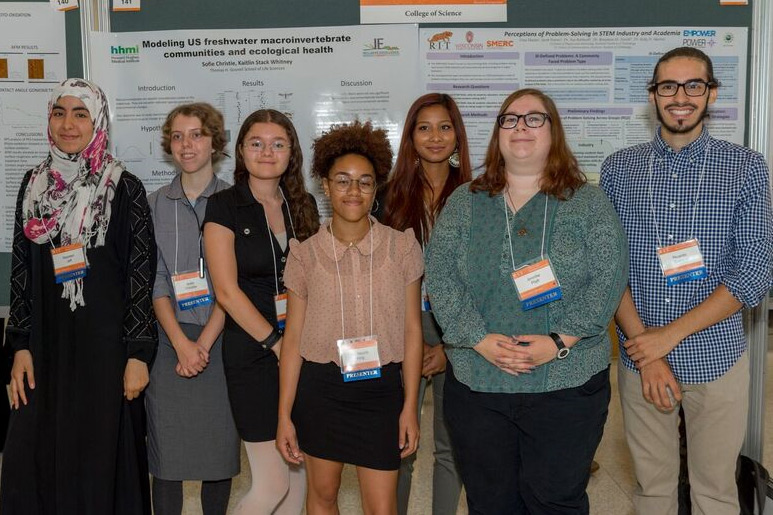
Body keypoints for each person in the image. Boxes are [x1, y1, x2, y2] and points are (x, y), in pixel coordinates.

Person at [425, 88, 628, 514]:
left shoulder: (588, 203)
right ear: (497, 133)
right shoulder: (465, 203)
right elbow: (440, 277)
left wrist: (558, 341)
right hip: (479, 383)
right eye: (510, 118)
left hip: (566, 384)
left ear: (554, 132)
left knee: (555, 500)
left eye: (535, 118)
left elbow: (608, 278)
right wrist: (477, 339)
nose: (521, 127)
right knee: (490, 503)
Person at [600, 47, 773, 515]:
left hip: (717, 359)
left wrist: (667, 339)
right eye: (668, 86)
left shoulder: (746, 167)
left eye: (693, 85)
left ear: (711, 92)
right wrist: (646, 349)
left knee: (714, 494)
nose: (681, 97)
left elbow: (754, 274)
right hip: (640, 363)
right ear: (652, 96)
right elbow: (610, 269)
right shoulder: (620, 169)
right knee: (652, 491)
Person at [1, 78, 156, 514]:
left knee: (100, 461)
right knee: (30, 457)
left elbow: (140, 277)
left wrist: (138, 355)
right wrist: (19, 345)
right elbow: (22, 271)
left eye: (80, 113)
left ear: (98, 121)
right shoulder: (32, 185)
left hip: (106, 353)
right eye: (59, 112)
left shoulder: (124, 187)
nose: (68, 124)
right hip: (45, 349)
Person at [276, 120, 424, 514]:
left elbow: (413, 331)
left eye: (365, 181)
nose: (353, 191)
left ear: (376, 188)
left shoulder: (402, 249)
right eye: (342, 181)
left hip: (381, 393)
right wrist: (284, 415)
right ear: (325, 186)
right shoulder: (304, 256)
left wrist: (410, 405)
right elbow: (292, 341)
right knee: (322, 498)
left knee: (382, 508)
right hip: (321, 392)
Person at [203, 108, 318, 515]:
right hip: (254, 353)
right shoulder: (223, 206)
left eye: (277, 144)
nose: (267, 152)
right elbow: (227, 292)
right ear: (240, 151)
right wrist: (275, 343)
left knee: (298, 478)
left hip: (302, 352)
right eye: (256, 143)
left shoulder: (303, 207)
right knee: (271, 484)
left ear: (291, 153)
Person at [146, 103, 240, 515]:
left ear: (215, 142)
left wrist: (201, 342)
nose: (187, 145)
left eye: (197, 134)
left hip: (222, 341)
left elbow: (232, 285)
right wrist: (182, 344)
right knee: (167, 458)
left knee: (217, 455)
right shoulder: (151, 204)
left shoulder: (236, 202)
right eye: (179, 136)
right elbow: (156, 278)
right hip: (168, 344)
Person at [380, 93, 469, 515]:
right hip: (401, 328)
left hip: (460, 330)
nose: (435, 137)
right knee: (400, 442)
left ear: (458, 135)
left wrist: (451, 350)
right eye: (424, 127)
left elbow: (488, 282)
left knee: (451, 447)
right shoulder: (388, 195)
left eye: (445, 127)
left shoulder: (478, 195)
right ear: (411, 136)